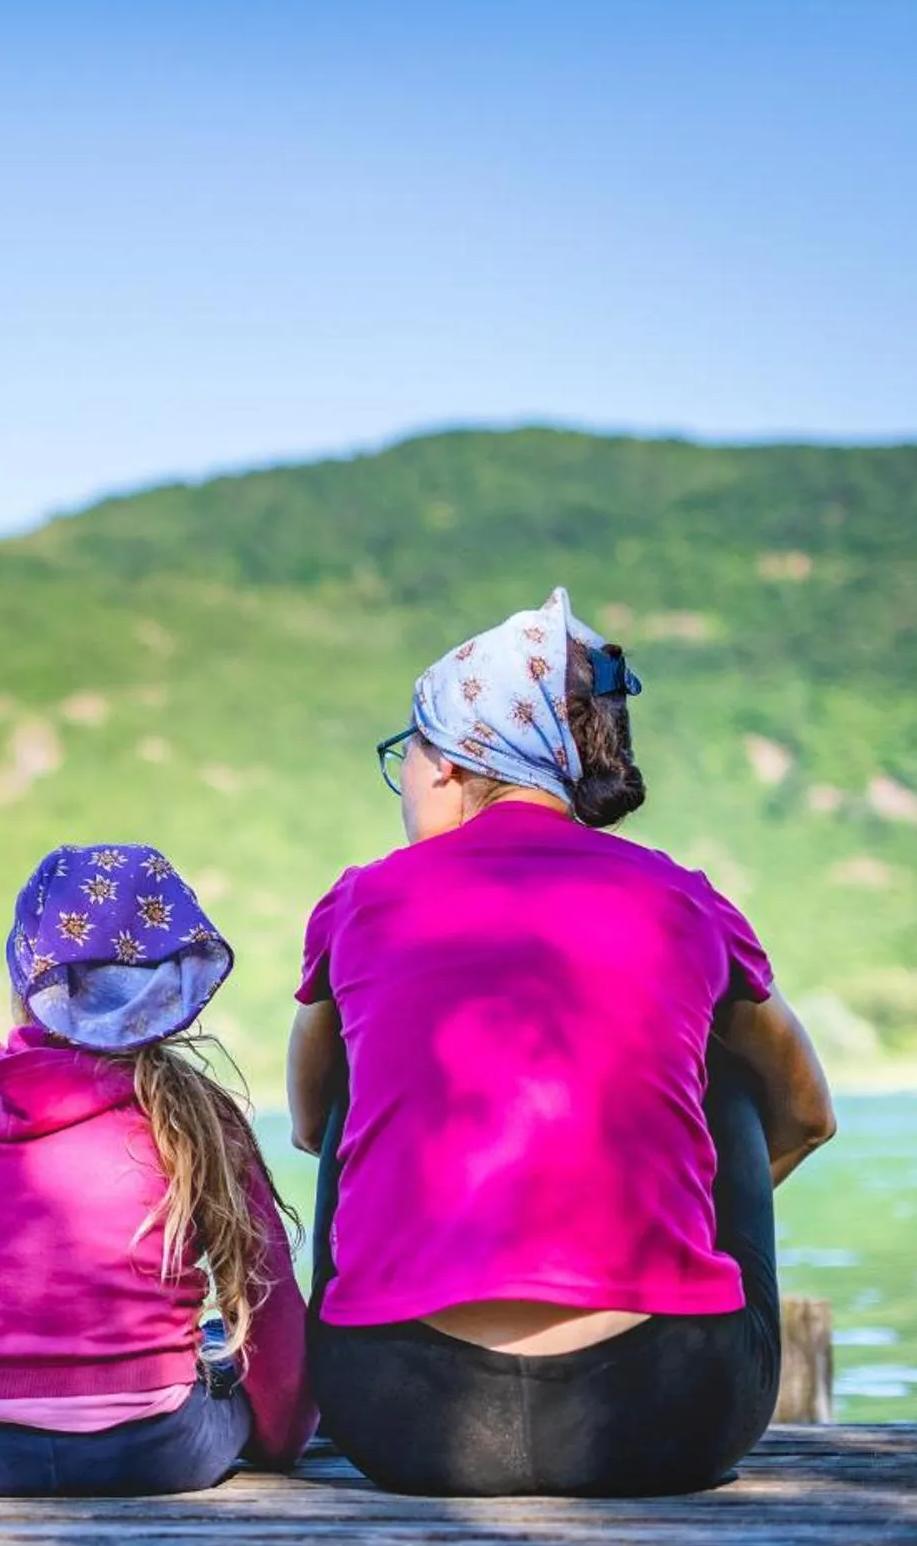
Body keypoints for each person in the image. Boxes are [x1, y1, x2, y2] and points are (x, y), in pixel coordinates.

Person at [286, 588, 837, 1497]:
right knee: (731, 1076)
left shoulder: (360, 901)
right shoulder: (683, 899)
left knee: (355, 1065)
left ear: (455, 765)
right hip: (665, 1413)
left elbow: (313, 1126)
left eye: (408, 756)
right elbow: (809, 1113)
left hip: (402, 1419)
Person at [0, 843, 316, 1496]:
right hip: (155, 1451)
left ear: (24, 979)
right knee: (223, 1339)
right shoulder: (195, 1114)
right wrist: (279, 1436)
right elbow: (272, 1322)